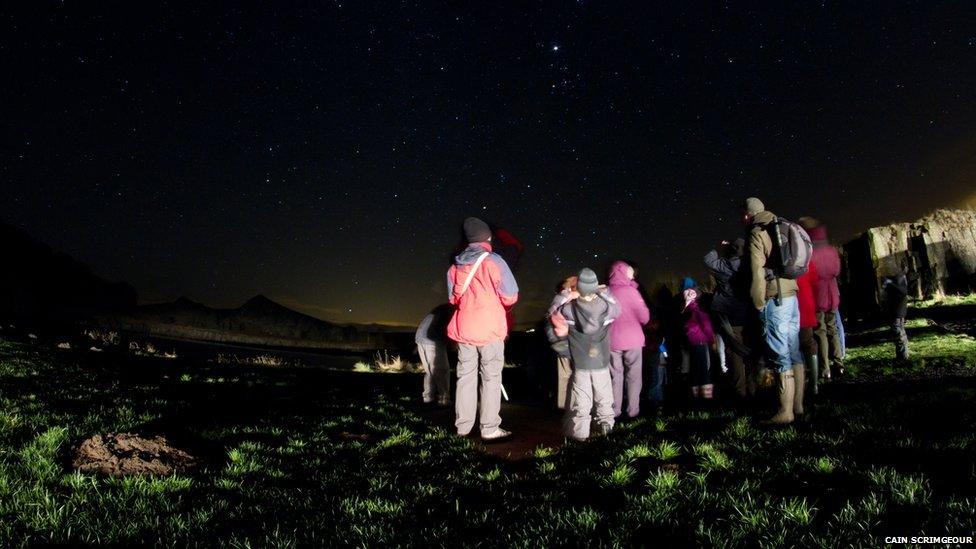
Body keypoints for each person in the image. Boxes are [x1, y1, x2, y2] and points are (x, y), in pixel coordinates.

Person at [446, 217, 519, 440]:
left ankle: (463, 428)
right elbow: (510, 296)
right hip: (490, 329)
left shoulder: (454, 266)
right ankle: (489, 428)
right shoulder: (494, 261)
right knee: (491, 378)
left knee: (465, 378)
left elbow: (452, 299)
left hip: (464, 328)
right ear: (487, 237)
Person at [743, 197, 802, 425]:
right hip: (791, 295)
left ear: (748, 214)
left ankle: (784, 412)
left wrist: (758, 303)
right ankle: (798, 405)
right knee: (794, 350)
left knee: (779, 355)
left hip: (774, 298)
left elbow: (757, 272)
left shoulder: (757, 233)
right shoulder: (781, 224)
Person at [554, 268, 619, 441]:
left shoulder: (568, 309)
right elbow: (617, 308)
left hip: (581, 361)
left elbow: (554, 311)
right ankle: (606, 427)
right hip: (601, 359)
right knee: (604, 394)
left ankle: (580, 433)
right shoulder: (606, 307)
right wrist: (604, 292)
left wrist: (566, 294)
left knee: (581, 398)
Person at [703, 239, 754, 399]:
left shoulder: (723, 265)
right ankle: (752, 388)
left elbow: (707, 260)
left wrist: (719, 247)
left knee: (734, 351)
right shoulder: (749, 264)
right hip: (749, 311)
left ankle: (740, 390)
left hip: (729, 314)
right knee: (750, 350)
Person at [801, 218, 845, 380]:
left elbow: (810, 275)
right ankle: (839, 363)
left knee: (820, 331)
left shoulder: (810, 252)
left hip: (818, 295)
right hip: (832, 294)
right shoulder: (831, 249)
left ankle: (825, 367)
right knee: (833, 328)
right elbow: (836, 270)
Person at [607, 261, 651, 418]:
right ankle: (633, 411)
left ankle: (614, 411)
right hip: (632, 339)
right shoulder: (631, 291)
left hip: (611, 340)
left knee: (614, 376)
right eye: (630, 273)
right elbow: (644, 317)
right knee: (633, 376)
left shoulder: (605, 292)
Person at [546, 276, 579, 409]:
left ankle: (564, 404)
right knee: (575, 373)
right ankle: (573, 405)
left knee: (565, 374)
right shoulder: (570, 297)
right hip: (568, 340)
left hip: (559, 341)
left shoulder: (557, 299)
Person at [415, 303, 455, 405]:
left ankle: (428, 397)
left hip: (420, 337)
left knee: (430, 371)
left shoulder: (443, 308)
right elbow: (451, 329)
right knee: (442, 371)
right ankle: (444, 399)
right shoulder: (453, 309)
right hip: (433, 339)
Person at [681, 284, 715, 399]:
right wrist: (711, 339)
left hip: (695, 341)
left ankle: (700, 397)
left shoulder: (691, 308)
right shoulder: (694, 307)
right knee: (701, 369)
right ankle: (704, 397)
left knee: (698, 369)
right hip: (698, 342)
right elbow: (706, 326)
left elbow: (704, 325)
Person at [796, 259, 819, 403]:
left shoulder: (782, 257)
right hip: (806, 301)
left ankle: (801, 384)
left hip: (792, 301)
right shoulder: (806, 258)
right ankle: (814, 384)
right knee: (809, 343)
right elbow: (815, 280)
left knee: (795, 347)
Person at [883, 267, 911, 361]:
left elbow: (901, 291)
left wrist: (889, 283)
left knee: (899, 335)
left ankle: (903, 357)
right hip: (898, 313)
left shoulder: (899, 284)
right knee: (899, 335)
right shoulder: (899, 281)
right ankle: (901, 355)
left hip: (897, 313)